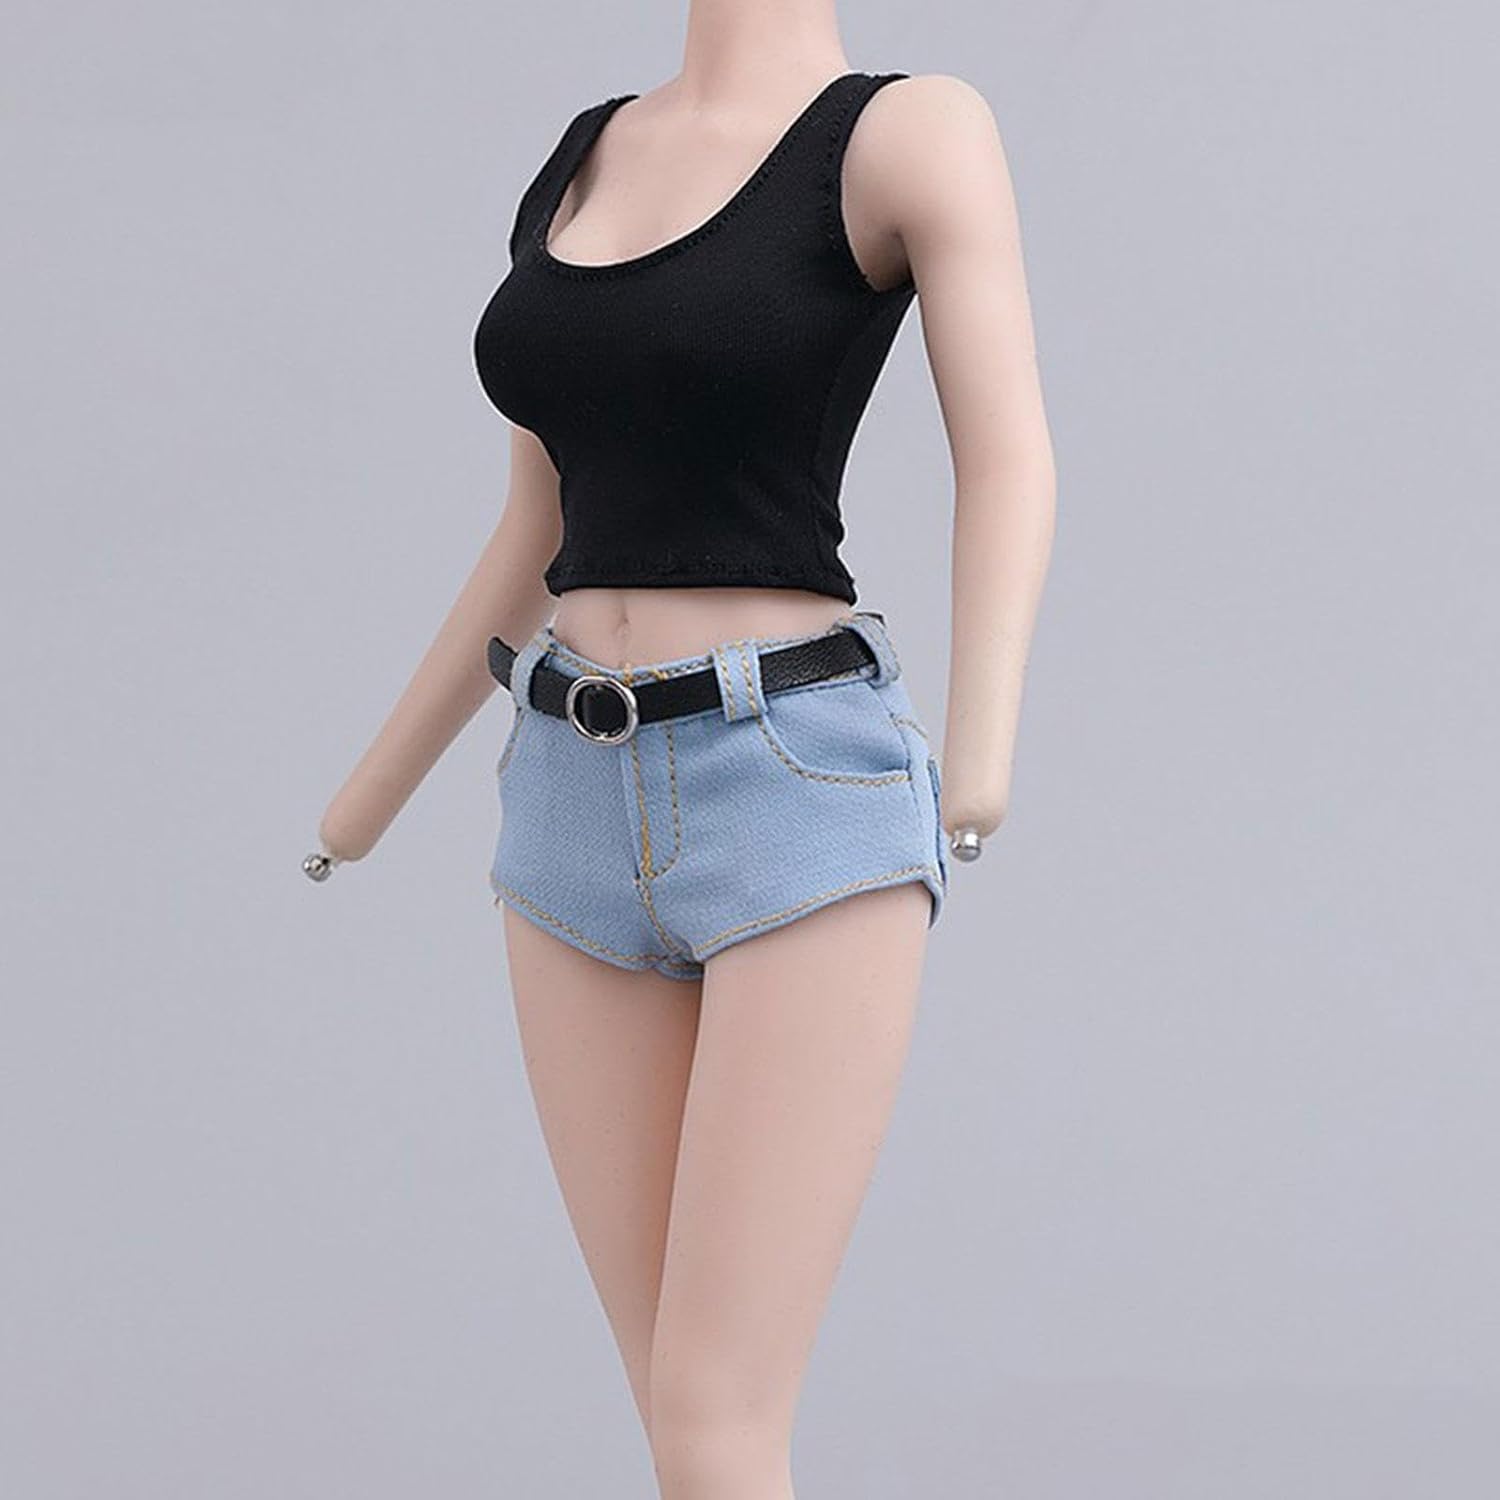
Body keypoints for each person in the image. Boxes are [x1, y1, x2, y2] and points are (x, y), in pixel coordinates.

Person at [308, 18, 1055, 1499]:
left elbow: (1011, 456)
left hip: (790, 780)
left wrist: (981, 753)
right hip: (564, 797)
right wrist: (372, 790)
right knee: (674, 1413)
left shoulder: (903, 132)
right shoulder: (585, 154)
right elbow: (537, 527)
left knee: (720, 1419)